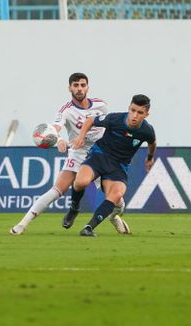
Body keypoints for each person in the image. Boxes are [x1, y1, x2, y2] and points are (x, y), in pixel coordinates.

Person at [10, 73, 130, 235]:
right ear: (69, 88)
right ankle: (23, 224)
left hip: (103, 154)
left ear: (87, 87)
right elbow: (55, 128)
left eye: (82, 85)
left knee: (118, 201)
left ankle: (114, 217)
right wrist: (59, 139)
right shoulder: (66, 111)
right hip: (79, 154)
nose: (79, 89)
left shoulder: (101, 105)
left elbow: (109, 127)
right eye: (75, 85)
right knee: (57, 190)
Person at [66, 94, 157, 237]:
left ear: (146, 114)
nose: (134, 115)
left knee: (117, 193)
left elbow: (152, 142)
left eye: (140, 113)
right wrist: (81, 136)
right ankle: (74, 208)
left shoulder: (147, 131)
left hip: (119, 166)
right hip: (99, 156)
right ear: (129, 108)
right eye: (133, 110)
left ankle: (89, 228)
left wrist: (150, 157)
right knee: (80, 182)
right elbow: (90, 120)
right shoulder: (115, 119)